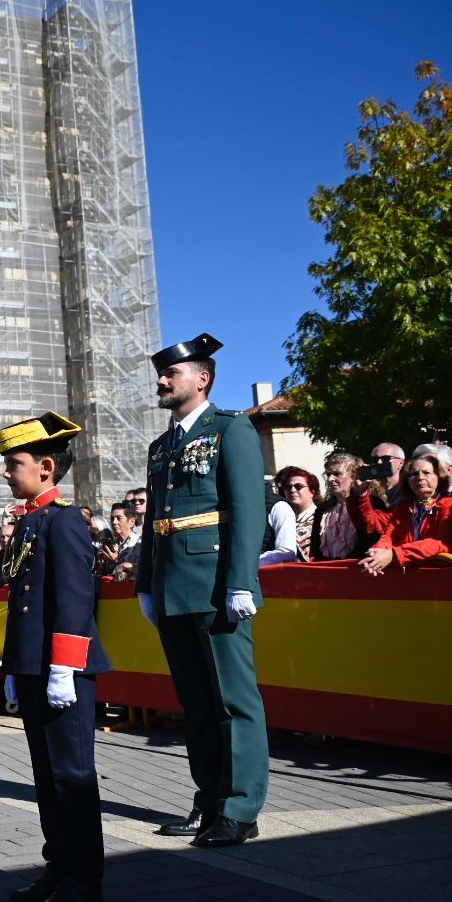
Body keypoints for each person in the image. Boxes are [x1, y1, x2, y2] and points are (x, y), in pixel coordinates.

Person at [136, 333, 267, 848]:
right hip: (172, 586)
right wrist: (146, 583)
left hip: (215, 585)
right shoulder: (162, 445)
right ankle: (210, 799)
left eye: (172, 373)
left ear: (202, 378)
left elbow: (248, 509)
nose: (162, 381)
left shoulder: (230, 428)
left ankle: (241, 808)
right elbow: (155, 520)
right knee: (196, 703)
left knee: (233, 701)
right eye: (161, 374)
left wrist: (240, 581)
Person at [0, 412, 112, 902]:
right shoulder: (30, 520)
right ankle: (58, 867)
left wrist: (64, 666)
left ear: (45, 466)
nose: (6, 472)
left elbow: (74, 599)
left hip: (62, 669)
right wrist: (16, 669)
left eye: (14, 464)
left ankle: (83, 882)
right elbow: (24, 602)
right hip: (34, 667)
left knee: (72, 778)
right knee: (46, 777)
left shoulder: (63, 519)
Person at [357, 452, 452, 574]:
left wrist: (395, 554)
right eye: (414, 474)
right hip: (407, 574)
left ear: (439, 477)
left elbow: (442, 543)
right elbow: (388, 537)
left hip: (439, 574)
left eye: (426, 473)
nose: (420, 477)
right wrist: (377, 554)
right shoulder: (403, 507)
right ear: (407, 481)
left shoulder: (449, 505)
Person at [316, 453, 379, 561]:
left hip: (359, 567)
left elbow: (371, 541)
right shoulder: (322, 510)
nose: (330, 479)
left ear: (353, 476)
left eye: (337, 474)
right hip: (327, 569)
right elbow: (315, 550)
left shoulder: (374, 503)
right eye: (328, 474)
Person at [260, 467, 320, 565]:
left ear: (312, 491)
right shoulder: (280, 516)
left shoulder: (321, 517)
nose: (292, 490)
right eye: (288, 487)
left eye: (298, 486)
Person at [95, 503, 140, 581]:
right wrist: (103, 564)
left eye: (119, 518)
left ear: (132, 522)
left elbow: (144, 570)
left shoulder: (139, 543)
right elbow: (103, 576)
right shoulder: (111, 545)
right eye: (112, 518)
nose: (114, 522)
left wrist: (116, 561)